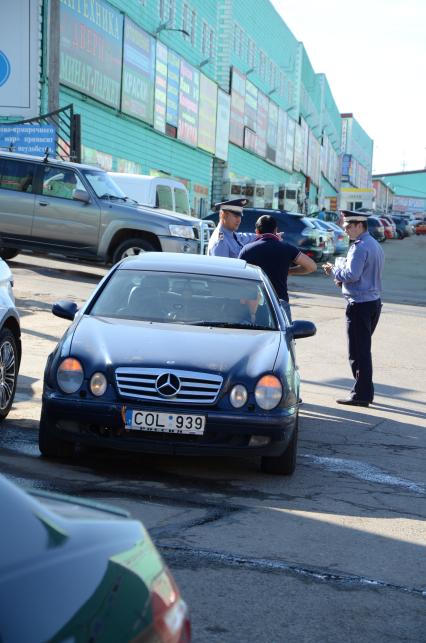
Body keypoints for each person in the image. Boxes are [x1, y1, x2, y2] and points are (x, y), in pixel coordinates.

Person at [322, 210, 384, 407]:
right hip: (372, 302)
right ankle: (365, 391)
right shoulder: (373, 244)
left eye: (348, 226)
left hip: (360, 305)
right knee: (362, 350)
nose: (345, 229)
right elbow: (361, 276)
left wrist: (334, 270)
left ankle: (362, 394)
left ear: (359, 225)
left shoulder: (360, 247)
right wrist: (341, 279)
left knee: (358, 352)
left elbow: (352, 275)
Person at [238, 214, 317, 321]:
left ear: (256, 231)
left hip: (256, 305)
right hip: (280, 302)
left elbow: (239, 276)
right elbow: (311, 267)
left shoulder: (247, 249)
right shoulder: (287, 248)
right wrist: (290, 271)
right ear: (276, 230)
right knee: (284, 335)